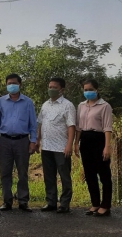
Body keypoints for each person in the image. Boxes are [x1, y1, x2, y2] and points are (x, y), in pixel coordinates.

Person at [0, 73, 37, 212]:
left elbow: (33, 123)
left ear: (20, 85)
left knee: (22, 172)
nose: (11, 85)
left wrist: (33, 140)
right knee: (5, 172)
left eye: (14, 83)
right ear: (6, 85)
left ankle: (23, 201)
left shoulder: (28, 102)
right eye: (9, 83)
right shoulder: (0, 101)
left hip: (22, 140)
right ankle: (7, 201)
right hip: (4, 140)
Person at [36, 78, 76, 213]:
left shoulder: (68, 105)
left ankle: (64, 204)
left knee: (64, 176)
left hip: (61, 147)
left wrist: (69, 145)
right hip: (46, 146)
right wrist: (37, 140)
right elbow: (40, 123)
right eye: (49, 86)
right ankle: (51, 202)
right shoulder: (45, 105)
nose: (51, 89)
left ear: (61, 90)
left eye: (54, 87)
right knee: (48, 176)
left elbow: (71, 126)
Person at [75, 79, 113, 217]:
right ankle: (95, 203)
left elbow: (108, 128)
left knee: (104, 174)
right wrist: (76, 143)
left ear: (96, 89)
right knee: (89, 174)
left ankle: (105, 205)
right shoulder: (81, 106)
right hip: (85, 140)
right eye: (85, 90)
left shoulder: (105, 106)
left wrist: (107, 147)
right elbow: (78, 127)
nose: (88, 92)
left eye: (90, 89)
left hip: (99, 139)